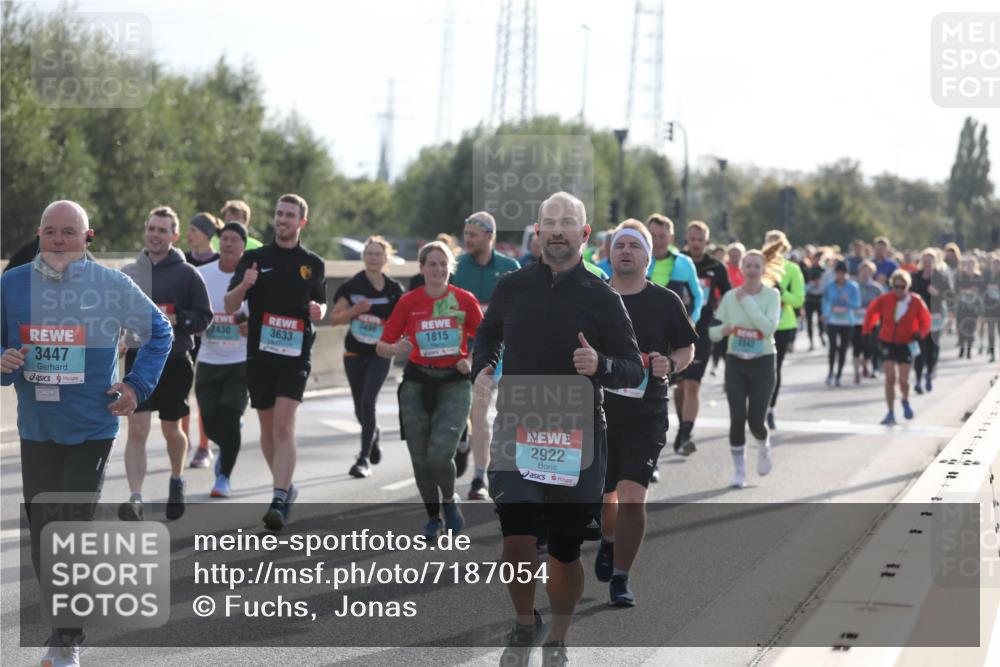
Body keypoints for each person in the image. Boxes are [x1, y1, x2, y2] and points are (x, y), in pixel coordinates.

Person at [473, 192, 644, 663]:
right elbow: (489, 332)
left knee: (565, 550)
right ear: (538, 231)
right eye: (549, 222)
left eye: (568, 222)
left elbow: (633, 368)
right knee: (517, 539)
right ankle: (525, 621)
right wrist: (483, 366)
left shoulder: (602, 296)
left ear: (584, 235)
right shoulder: (512, 286)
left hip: (577, 436)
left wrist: (600, 363)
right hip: (517, 426)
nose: (557, 230)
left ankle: (559, 636)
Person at [2, 200, 172, 667]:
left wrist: (136, 386)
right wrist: (2, 362)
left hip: (92, 428)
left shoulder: (112, 285)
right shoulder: (12, 285)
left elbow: (160, 333)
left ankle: (67, 638)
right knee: (42, 536)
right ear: (39, 234)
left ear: (87, 237)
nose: (59, 241)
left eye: (69, 233)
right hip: (38, 429)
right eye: (51, 232)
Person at [597, 219, 696, 606]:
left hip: (646, 412)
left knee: (633, 495)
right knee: (605, 497)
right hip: (600, 411)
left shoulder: (665, 301)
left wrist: (670, 365)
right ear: (610, 253)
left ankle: (621, 578)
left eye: (634, 246)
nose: (625, 251)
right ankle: (608, 540)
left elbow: (687, 349)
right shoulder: (596, 297)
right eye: (620, 245)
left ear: (647, 256)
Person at [225, 193, 326, 530]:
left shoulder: (313, 263)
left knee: (283, 424)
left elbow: (320, 304)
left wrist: (319, 311)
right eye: (279, 214)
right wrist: (245, 286)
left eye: (290, 215)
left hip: (296, 354)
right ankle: (285, 485)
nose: (282, 219)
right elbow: (228, 304)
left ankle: (278, 498)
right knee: (267, 428)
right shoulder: (254, 258)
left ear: (301, 222)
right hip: (260, 354)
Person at [376, 241, 481, 536]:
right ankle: (433, 517)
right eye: (432, 264)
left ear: (451, 268)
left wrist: (470, 359)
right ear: (421, 268)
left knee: (438, 456)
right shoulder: (409, 302)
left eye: (443, 264)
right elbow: (381, 345)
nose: (438, 269)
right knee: (420, 460)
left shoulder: (463, 300)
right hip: (417, 383)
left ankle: (449, 500)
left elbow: (486, 338)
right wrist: (396, 348)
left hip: (454, 383)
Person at [120, 207, 213, 521]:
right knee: (136, 431)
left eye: (163, 230)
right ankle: (135, 498)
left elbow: (204, 318)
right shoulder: (131, 272)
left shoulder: (187, 274)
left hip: (174, 362)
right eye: (152, 229)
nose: (156, 235)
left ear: (174, 235)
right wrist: (118, 338)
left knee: (172, 430)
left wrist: (178, 319)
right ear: (145, 231)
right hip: (137, 359)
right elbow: (114, 314)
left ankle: (176, 479)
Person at [450, 212, 520, 498]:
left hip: (501, 351)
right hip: (464, 351)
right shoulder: (456, 266)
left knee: (492, 414)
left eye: (473, 235)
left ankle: (488, 475)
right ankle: (472, 458)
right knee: (471, 412)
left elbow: (516, 311)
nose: (467, 239)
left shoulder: (509, 267)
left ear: (490, 236)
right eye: (465, 234)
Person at [709, 244, 785, 488]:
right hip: (736, 362)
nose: (752, 270)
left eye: (757, 266)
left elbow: (768, 329)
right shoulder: (731, 297)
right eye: (748, 265)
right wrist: (725, 329)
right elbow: (712, 332)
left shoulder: (772, 296)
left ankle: (763, 444)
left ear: (763, 270)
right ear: (741, 268)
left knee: (755, 420)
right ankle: (739, 472)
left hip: (763, 362)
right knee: (737, 417)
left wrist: (748, 302)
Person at [330, 236, 404, 478]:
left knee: (368, 400)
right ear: (364, 257)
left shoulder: (395, 290)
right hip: (354, 352)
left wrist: (391, 332)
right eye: (369, 253)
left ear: (386, 258)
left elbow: (403, 322)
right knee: (359, 407)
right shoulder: (351, 286)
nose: (373, 258)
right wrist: (354, 311)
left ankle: (362, 459)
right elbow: (334, 318)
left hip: (381, 353)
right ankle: (374, 434)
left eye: (378, 254)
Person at [195, 223, 251, 498]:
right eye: (224, 239)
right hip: (208, 359)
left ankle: (223, 478)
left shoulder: (252, 279)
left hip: (240, 361)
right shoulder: (202, 274)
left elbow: (262, 313)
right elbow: (191, 309)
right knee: (211, 421)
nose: (228, 244)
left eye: (234, 240)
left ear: (244, 245)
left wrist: (252, 326)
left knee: (229, 420)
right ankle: (230, 439)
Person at [673, 220, 730, 456]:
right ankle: (681, 427)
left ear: (707, 242)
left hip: (702, 332)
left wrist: (723, 320)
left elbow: (728, 296)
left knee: (693, 385)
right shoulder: (678, 262)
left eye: (700, 240)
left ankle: (686, 433)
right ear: (686, 240)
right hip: (675, 332)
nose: (696, 244)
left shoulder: (716, 267)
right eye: (692, 239)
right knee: (679, 386)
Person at [862, 269, 931, 425]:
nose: (899, 290)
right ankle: (890, 412)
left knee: (904, 381)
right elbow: (871, 312)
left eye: (902, 287)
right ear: (892, 286)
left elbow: (926, 320)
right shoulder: (885, 299)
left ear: (908, 287)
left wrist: (921, 333)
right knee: (890, 379)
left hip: (906, 343)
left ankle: (905, 400)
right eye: (896, 286)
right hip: (887, 341)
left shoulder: (915, 301)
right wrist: (867, 330)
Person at [184, 212, 224, 468]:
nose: (188, 235)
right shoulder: (182, 261)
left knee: (205, 393)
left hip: (216, 336)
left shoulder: (221, 262)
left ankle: (204, 446)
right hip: (186, 333)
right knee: (184, 391)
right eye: (187, 230)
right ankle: (184, 442)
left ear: (207, 234)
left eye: (193, 231)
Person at [763, 230, 805, 430]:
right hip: (757, 324)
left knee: (774, 368)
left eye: (778, 246)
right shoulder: (757, 263)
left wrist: (781, 291)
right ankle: (756, 406)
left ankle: (770, 408)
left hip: (783, 324)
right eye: (770, 244)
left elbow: (798, 300)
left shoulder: (792, 269)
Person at [645, 214, 703, 321]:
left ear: (671, 238)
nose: (656, 241)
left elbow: (697, 296)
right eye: (652, 236)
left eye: (662, 236)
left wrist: (692, 320)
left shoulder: (684, 263)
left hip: (673, 330)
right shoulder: (638, 261)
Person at [910, 249, 951, 392]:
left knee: (932, 345)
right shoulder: (915, 276)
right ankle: (918, 380)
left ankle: (930, 372)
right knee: (920, 347)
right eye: (925, 261)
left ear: (935, 262)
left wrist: (938, 293)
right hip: (919, 316)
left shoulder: (940, 277)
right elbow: (909, 293)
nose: (927, 264)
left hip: (935, 315)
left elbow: (950, 295)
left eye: (930, 261)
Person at [821, 260, 861, 386]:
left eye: (843, 273)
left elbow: (857, 305)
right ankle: (830, 372)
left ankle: (839, 375)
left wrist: (847, 301)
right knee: (832, 347)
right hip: (833, 320)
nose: (840, 276)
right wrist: (825, 314)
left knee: (843, 349)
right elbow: (825, 302)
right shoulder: (829, 286)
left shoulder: (853, 286)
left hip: (847, 322)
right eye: (838, 273)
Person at [852, 260, 885, 383]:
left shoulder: (877, 288)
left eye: (868, 271)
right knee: (856, 347)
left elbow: (882, 305)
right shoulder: (854, 286)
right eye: (863, 271)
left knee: (870, 347)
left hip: (872, 321)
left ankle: (867, 364)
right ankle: (856, 373)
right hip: (856, 321)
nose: (865, 274)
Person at [954, 255, 985, 359]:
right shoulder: (960, 276)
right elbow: (955, 288)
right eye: (968, 264)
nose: (969, 266)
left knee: (971, 329)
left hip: (973, 307)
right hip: (962, 306)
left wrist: (976, 291)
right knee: (961, 327)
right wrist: (961, 291)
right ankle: (962, 347)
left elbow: (982, 290)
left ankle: (969, 351)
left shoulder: (978, 277)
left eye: (972, 264)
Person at [803, 250, 827, 351]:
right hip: (809, 299)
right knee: (809, 321)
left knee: (821, 320)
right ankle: (811, 342)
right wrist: (811, 283)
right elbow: (803, 284)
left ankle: (821, 334)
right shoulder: (808, 270)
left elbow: (826, 283)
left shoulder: (823, 270)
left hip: (820, 299)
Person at [984, 253, 1000, 363]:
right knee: (990, 332)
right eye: (994, 265)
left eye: (998, 265)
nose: (995, 267)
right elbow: (982, 289)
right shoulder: (987, 276)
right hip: (990, 309)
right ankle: (992, 353)